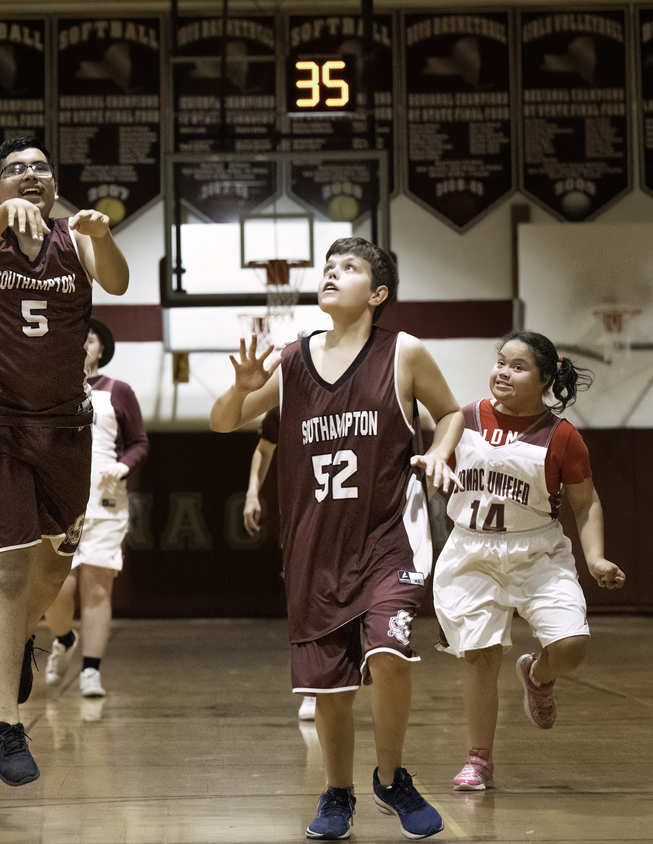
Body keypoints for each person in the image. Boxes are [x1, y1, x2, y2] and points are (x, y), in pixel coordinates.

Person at [210, 237, 460, 841]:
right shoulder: (293, 360)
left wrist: (439, 455)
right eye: (327, 267)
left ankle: (393, 776)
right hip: (313, 549)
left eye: (348, 268)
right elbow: (223, 422)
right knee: (332, 691)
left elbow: (450, 412)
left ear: (377, 294)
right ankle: (338, 792)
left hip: (387, 540)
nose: (331, 274)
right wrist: (243, 387)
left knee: (391, 654)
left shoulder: (404, 352)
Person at [0, 136, 129, 787]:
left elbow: (118, 280)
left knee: (53, 571)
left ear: (54, 184)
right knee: (7, 573)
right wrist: (1, 216)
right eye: (15, 169)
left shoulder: (75, 242)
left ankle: (27, 638)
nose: (30, 174)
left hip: (66, 429)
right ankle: (6, 721)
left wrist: (102, 234)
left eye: (40, 167)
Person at [419, 331, 626, 793]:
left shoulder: (562, 436)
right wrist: (436, 462)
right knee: (478, 656)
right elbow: (435, 452)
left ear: (545, 378)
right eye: (500, 362)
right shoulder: (465, 416)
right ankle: (479, 759)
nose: (502, 372)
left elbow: (585, 503)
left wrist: (595, 557)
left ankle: (538, 675)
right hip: (471, 549)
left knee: (571, 647)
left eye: (517, 366)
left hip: (537, 552)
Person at [44, 317, 150, 698]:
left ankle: (91, 671)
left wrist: (124, 465)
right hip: (59, 504)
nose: (82, 345)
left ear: (100, 347)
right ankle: (64, 639)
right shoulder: (51, 391)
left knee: (98, 588)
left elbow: (138, 441)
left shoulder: (118, 391)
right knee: (56, 589)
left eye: (87, 339)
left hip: (105, 503)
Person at [243, 406, 316, 723]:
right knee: (304, 601)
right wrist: (251, 494)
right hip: (299, 515)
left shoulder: (354, 392)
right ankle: (312, 688)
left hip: (349, 512)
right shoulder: (283, 406)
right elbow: (263, 448)